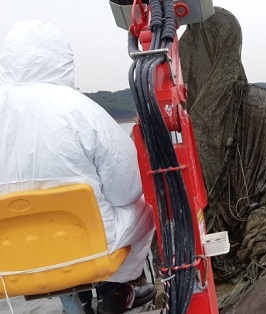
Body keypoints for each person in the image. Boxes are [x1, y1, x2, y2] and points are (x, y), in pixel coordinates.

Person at [0, 20, 156, 313]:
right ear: (63, 60)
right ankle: (116, 290)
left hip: (6, 266)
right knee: (145, 208)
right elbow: (128, 190)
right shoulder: (79, 110)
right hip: (88, 253)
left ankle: (81, 299)